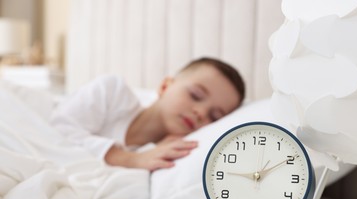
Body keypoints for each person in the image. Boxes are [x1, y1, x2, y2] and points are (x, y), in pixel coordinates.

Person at [51, 57, 245, 171]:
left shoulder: (168, 153)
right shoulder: (112, 92)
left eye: (215, 117)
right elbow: (57, 130)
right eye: (196, 95)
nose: (201, 112)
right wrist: (131, 160)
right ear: (165, 86)